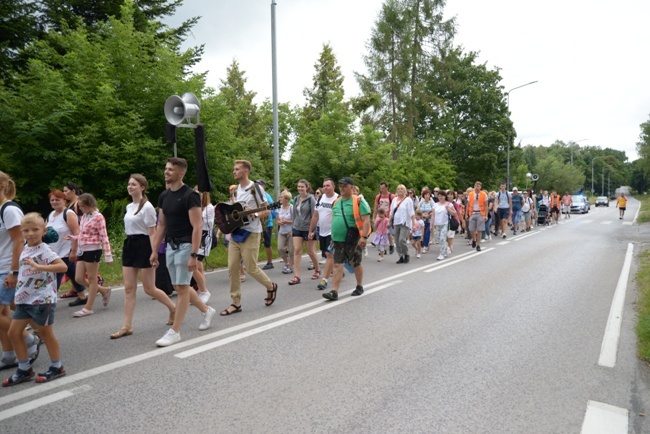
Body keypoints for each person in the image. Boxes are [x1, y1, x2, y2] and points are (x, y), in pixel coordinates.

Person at [150, 158, 216, 347]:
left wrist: (195, 255)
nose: (166, 172)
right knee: (181, 286)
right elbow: (161, 224)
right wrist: (155, 250)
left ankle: (175, 331)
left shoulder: (190, 196)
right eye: (166, 168)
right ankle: (206, 310)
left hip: (187, 245)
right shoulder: (164, 196)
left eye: (170, 169)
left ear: (181, 173)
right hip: (171, 245)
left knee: (181, 287)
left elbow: (197, 226)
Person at [2, 213, 68, 386]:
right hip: (25, 299)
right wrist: (15, 285)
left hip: (42, 299)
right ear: (22, 232)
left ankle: (57, 366)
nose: (30, 233)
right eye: (26, 230)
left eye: (35, 230)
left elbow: (63, 266)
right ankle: (24, 369)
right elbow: (23, 271)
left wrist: (40, 266)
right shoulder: (25, 247)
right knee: (13, 333)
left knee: (46, 334)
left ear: (44, 231)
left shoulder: (45, 249)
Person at [110, 175, 176, 339]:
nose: (130, 187)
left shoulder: (147, 207)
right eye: (129, 184)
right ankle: (127, 326)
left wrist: (154, 252)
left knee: (149, 288)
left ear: (142, 187)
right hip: (130, 244)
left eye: (133, 184)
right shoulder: (128, 206)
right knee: (129, 287)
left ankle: (173, 308)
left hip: (144, 245)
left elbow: (152, 232)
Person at [220, 160, 278, 316]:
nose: (234, 171)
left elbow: (267, 211)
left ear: (245, 171)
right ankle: (235, 302)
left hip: (252, 232)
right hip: (236, 232)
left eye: (237, 169)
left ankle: (271, 286)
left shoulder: (255, 188)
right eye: (234, 169)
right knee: (232, 267)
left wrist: (256, 213)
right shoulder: (234, 190)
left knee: (251, 267)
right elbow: (233, 210)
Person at [0, 172, 42, 371]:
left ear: (2, 186)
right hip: (1, 267)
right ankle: (8, 355)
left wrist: (14, 272)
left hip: (8, 268)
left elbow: (19, 240)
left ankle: (29, 338)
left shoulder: (9, 210)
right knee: (4, 312)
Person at [322, 177, 371, 301]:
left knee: (356, 263)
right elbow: (334, 219)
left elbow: (366, 221)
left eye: (345, 186)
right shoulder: (336, 202)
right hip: (337, 240)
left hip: (353, 239)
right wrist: (332, 237)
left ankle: (359, 285)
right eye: (341, 186)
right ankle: (334, 291)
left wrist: (364, 237)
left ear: (351, 187)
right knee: (337, 265)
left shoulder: (358, 201)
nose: (342, 188)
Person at [69, 193, 113, 317]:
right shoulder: (84, 216)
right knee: (78, 278)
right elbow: (83, 233)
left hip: (93, 250)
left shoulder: (98, 217)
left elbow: (104, 236)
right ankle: (104, 290)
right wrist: (74, 238)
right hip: (83, 249)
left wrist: (108, 254)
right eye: (80, 207)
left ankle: (89, 307)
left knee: (93, 279)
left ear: (90, 204)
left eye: (83, 206)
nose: (81, 209)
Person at [47, 190, 86, 301]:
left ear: (64, 200)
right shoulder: (51, 215)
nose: (54, 202)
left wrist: (73, 251)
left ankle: (50, 301)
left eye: (57, 200)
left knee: (56, 275)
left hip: (66, 251)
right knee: (73, 273)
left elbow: (77, 233)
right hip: (55, 251)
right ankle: (87, 294)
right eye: (52, 200)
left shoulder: (68, 213)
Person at [309, 178, 338, 291]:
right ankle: (338, 268)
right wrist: (311, 230)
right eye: (324, 186)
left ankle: (324, 280)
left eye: (328, 185)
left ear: (333, 187)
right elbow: (315, 215)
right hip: (322, 231)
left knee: (329, 254)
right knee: (327, 254)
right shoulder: (320, 198)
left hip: (334, 231)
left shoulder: (338, 198)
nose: (325, 187)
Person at [288, 179, 319, 285]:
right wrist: (293, 228)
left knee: (310, 251)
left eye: (302, 187)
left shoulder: (311, 199)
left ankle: (317, 269)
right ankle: (297, 276)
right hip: (297, 228)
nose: (300, 188)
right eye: (299, 186)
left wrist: (312, 231)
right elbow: (295, 215)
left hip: (308, 228)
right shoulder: (296, 198)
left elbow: (314, 215)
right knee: (297, 250)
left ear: (307, 188)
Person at [191, 186, 214, 304]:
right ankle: (201, 288)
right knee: (196, 263)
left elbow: (208, 223)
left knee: (198, 261)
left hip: (205, 236)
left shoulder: (208, 208)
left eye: (199, 193)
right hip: (195, 235)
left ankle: (202, 289)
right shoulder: (194, 206)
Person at [390, 184, 415, 264]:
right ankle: (400, 256)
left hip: (404, 222)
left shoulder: (408, 200)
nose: (400, 190)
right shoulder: (394, 200)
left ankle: (406, 254)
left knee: (402, 240)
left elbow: (411, 213)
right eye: (398, 189)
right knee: (396, 241)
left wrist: (413, 224)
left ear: (405, 191)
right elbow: (391, 211)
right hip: (396, 222)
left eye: (402, 189)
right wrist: (388, 221)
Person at [256, 180, 276, 271]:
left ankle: (270, 262)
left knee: (267, 243)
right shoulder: (254, 195)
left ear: (263, 186)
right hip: (256, 223)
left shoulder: (266, 195)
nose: (257, 186)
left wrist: (271, 218)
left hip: (267, 223)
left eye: (259, 184)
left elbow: (273, 208)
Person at [432, 190, 457, 260]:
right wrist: (432, 224)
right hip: (437, 224)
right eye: (439, 196)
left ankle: (441, 254)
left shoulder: (448, 204)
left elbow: (454, 213)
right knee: (438, 238)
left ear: (445, 196)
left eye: (442, 196)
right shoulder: (435, 205)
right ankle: (446, 248)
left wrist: (448, 209)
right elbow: (433, 215)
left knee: (443, 238)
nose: (440, 197)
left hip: (445, 224)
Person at [465, 181, 489, 251]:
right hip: (472, 213)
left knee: (479, 230)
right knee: (471, 229)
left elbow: (486, 205)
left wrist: (486, 215)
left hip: (480, 213)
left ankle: (478, 245)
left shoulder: (484, 194)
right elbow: (468, 205)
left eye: (478, 186)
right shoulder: (471, 194)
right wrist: (466, 214)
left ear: (480, 187)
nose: (476, 187)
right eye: (475, 185)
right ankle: (474, 240)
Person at [373, 182, 395, 254]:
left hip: (388, 217)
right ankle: (383, 249)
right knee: (380, 232)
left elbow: (394, 207)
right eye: (381, 188)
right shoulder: (378, 197)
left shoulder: (391, 196)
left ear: (387, 188)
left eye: (383, 188)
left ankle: (391, 245)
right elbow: (376, 207)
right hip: (380, 216)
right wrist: (374, 217)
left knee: (387, 233)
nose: (382, 190)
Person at [277, 190, 294, 274]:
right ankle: (286, 263)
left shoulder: (291, 208)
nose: (280, 199)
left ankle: (290, 266)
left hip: (290, 231)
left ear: (287, 199)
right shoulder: (279, 208)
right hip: (282, 231)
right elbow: (277, 219)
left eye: (281, 197)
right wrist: (279, 222)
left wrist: (287, 222)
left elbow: (295, 220)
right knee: (280, 248)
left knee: (291, 250)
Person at [418, 188, 434, 253]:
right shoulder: (421, 203)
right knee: (423, 234)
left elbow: (434, 211)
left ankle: (425, 246)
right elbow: (418, 211)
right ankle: (424, 244)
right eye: (425, 195)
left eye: (428, 195)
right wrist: (423, 215)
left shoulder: (432, 203)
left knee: (427, 233)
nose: (427, 196)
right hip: (422, 221)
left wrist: (429, 215)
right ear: (423, 196)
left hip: (429, 220)